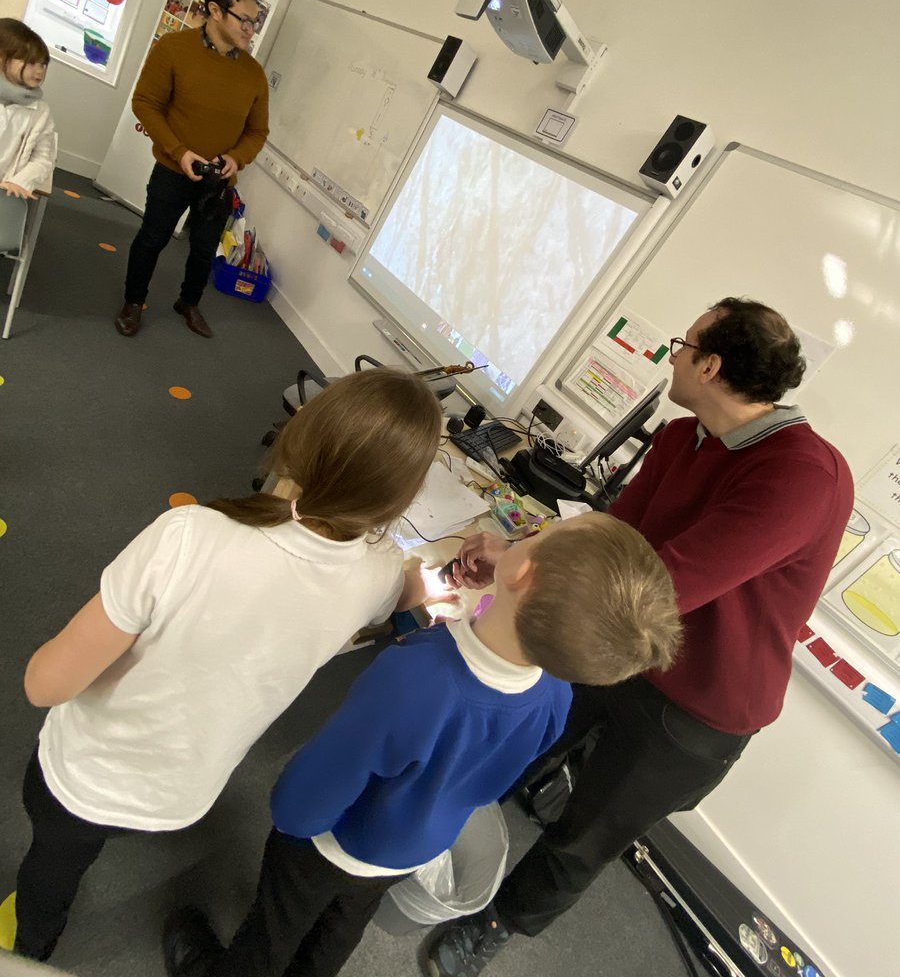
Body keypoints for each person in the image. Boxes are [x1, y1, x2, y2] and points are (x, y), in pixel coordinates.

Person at [427, 296, 854, 977]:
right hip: (621, 651)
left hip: (700, 700)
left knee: (587, 832)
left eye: (684, 344)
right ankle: (438, 839)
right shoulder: (686, 436)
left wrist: (517, 570)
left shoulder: (801, 475)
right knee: (522, 739)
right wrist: (518, 543)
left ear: (710, 366)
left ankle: (499, 923)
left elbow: (661, 587)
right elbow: (613, 529)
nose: (673, 355)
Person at [0, 368, 442, 963]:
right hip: (183, 794)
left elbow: (42, 684)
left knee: (53, 864)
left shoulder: (190, 536)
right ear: (399, 499)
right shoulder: (379, 573)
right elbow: (406, 595)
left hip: (81, 779)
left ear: (301, 433)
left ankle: (31, 946)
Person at [162, 511, 683, 977]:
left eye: (544, 533)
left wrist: (290, 821)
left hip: (332, 844)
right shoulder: (556, 696)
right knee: (342, 926)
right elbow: (491, 779)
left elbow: (321, 783)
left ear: (523, 573)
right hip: (413, 845)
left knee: (275, 927)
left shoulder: (414, 677)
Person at [115, 0, 269, 340]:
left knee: (203, 251)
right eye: (244, 20)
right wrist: (178, 151)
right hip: (172, 170)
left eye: (256, 22)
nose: (251, 30)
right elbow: (145, 104)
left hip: (218, 183)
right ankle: (134, 302)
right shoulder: (172, 49)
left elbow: (257, 130)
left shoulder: (253, 74)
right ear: (216, 10)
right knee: (153, 238)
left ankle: (188, 302)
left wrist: (236, 159)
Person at [0, 18, 56, 201]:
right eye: (31, 63)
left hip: (4, 191)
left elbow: (43, 158)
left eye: (43, 64)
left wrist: (21, 181)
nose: (39, 71)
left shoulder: (40, 112)